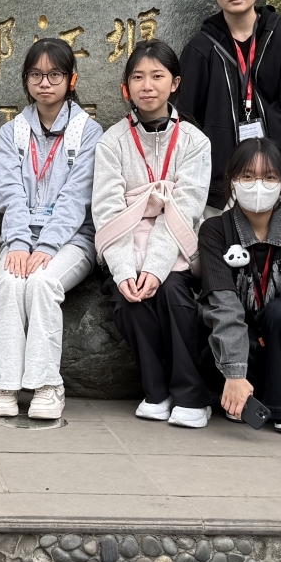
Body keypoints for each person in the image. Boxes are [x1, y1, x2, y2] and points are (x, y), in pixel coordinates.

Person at [93, 39, 214, 426]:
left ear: (174, 83)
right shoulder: (111, 141)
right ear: (125, 87)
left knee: (174, 294)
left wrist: (156, 268)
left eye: (157, 76)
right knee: (129, 299)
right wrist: (124, 270)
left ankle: (191, 395)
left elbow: (186, 206)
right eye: (138, 77)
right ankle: (156, 391)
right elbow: (107, 209)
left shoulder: (195, 141)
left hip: (174, 245)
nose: (147, 86)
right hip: (125, 242)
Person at [0, 37, 100, 421]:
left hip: (72, 240)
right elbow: (10, 194)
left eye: (55, 74)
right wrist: (19, 242)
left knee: (42, 283)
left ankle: (47, 385)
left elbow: (76, 198)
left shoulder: (88, 132)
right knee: (9, 283)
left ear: (71, 79)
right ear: (26, 80)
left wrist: (47, 246)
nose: (45, 83)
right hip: (22, 237)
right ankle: (5, 383)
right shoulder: (12, 132)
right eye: (36, 75)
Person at [195, 138, 281, 434]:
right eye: (247, 176)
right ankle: (245, 388)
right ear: (231, 181)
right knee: (215, 322)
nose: (258, 185)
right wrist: (235, 373)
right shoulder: (215, 231)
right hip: (239, 346)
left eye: (269, 177)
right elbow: (222, 303)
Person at [178, 0, 281, 211]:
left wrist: (272, 170)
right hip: (220, 187)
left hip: (275, 179)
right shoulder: (201, 47)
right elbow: (187, 120)